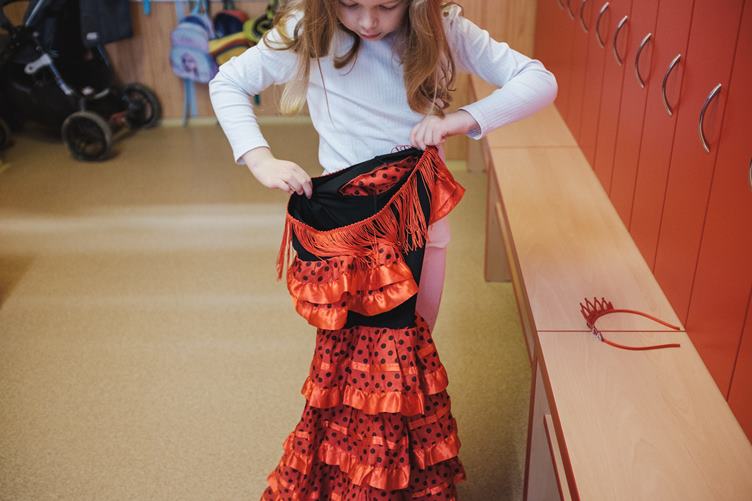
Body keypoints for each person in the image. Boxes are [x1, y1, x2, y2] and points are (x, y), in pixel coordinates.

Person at [209, 1, 557, 498]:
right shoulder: (310, 27)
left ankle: (395, 481)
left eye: (386, 6)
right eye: (351, 4)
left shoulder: (443, 27)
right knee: (348, 370)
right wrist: (259, 158)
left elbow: (539, 80)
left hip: (419, 225)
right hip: (348, 233)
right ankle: (353, 480)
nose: (369, 22)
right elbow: (228, 82)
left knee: (406, 364)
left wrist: (463, 119)